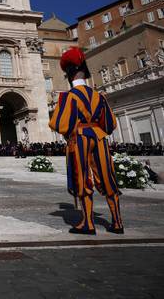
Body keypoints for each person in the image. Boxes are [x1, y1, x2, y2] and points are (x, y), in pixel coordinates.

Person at [49, 47, 123, 235]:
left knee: (82, 177)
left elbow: (59, 124)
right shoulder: (99, 96)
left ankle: (88, 223)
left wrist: (72, 130)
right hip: (99, 137)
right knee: (107, 176)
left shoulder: (68, 97)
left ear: (68, 74)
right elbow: (110, 123)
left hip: (79, 139)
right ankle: (117, 222)